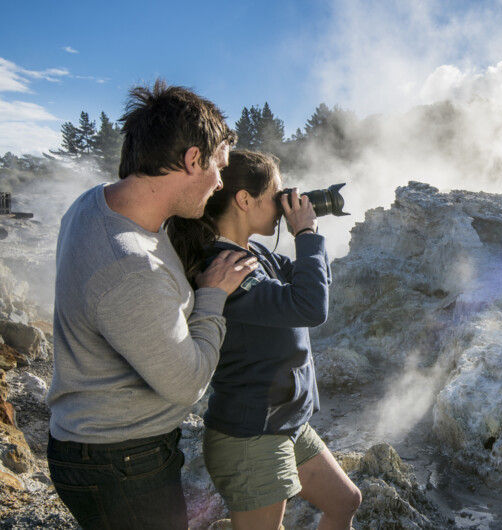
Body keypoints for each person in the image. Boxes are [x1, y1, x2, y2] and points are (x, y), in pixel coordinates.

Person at [46, 80, 259, 529]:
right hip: (120, 462)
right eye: (218, 167)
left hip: (98, 448)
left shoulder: (96, 202)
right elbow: (188, 383)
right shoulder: (130, 268)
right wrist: (212, 296)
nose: (221, 182)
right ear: (192, 159)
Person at [167, 150, 361, 530]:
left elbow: (315, 283)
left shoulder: (252, 253)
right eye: (275, 194)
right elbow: (309, 307)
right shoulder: (226, 267)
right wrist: (304, 233)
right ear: (244, 200)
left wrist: (310, 235)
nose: (282, 202)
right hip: (252, 436)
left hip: (286, 423)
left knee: (345, 501)